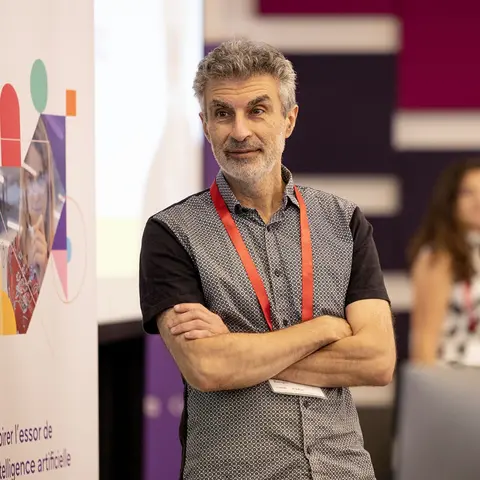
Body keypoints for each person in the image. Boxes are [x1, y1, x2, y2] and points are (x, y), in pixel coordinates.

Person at [139, 39, 396, 480]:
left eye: (257, 110)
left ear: (288, 120)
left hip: (343, 469)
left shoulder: (344, 221)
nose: (239, 131)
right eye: (223, 113)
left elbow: (376, 361)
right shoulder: (171, 234)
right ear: (204, 124)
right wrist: (324, 329)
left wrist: (243, 349)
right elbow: (208, 366)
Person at [408, 158, 480, 366]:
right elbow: (424, 340)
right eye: (468, 193)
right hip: (455, 381)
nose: (478, 201)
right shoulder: (439, 257)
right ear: (451, 201)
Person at [7, 117, 56, 334]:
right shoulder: (9, 252)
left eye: (41, 177)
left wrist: (46, 270)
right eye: (29, 177)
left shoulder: (58, 247)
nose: (35, 193)